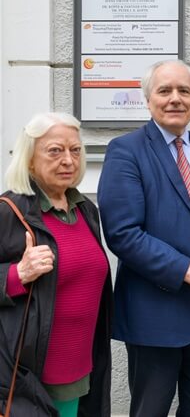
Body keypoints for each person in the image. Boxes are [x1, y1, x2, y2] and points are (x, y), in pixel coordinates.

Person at [97, 59, 190, 417]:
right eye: (165, 91)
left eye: (184, 90)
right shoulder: (126, 151)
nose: (175, 99)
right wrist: (189, 271)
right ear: (148, 100)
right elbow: (123, 234)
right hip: (156, 313)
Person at [0, 112, 112, 417]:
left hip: (80, 367)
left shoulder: (86, 210)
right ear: (30, 160)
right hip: (30, 375)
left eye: (75, 150)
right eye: (55, 150)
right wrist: (18, 274)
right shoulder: (10, 210)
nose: (68, 160)